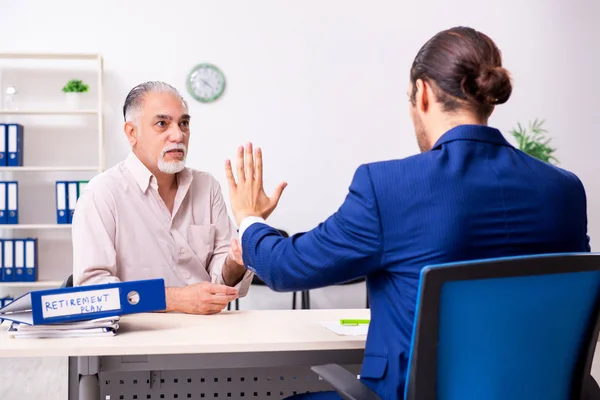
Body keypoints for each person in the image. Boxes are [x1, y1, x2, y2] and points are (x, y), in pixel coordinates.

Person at [223, 26, 591, 398]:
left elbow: (287, 268)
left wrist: (249, 218)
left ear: (423, 93)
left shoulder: (389, 186)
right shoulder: (564, 189)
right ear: (488, 99)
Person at [72, 81, 253, 315]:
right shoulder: (102, 194)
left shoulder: (207, 187)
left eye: (184, 123)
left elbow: (221, 280)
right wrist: (175, 299)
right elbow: (91, 291)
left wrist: (237, 259)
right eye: (162, 124)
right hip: (136, 339)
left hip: (205, 333)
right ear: (132, 132)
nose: (178, 135)